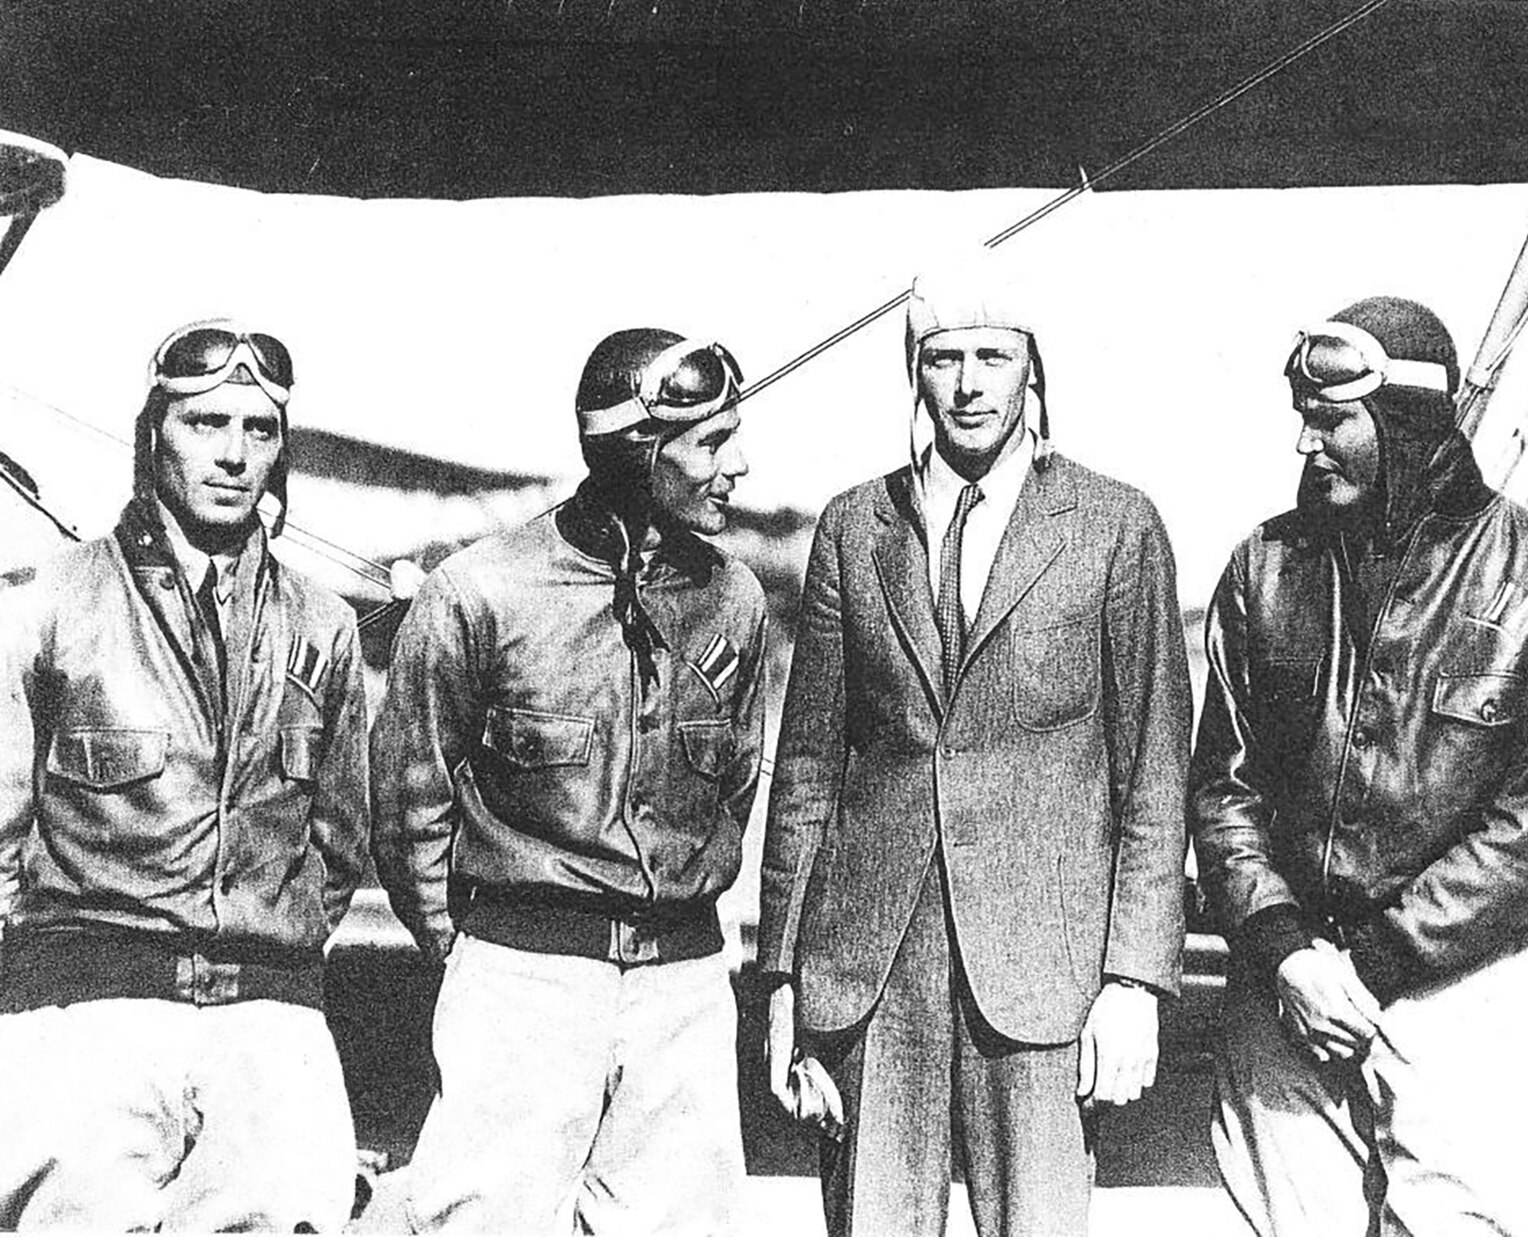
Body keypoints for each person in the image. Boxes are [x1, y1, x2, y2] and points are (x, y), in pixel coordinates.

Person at [757, 255, 1192, 1237]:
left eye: (992, 357)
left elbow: (1154, 776)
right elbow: (808, 773)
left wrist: (1133, 979)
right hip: (872, 969)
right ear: (914, 372)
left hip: (1043, 972)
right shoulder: (854, 526)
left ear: (1032, 367)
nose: (967, 385)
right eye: (943, 358)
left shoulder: (1115, 526)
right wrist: (783, 981)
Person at [1190, 296, 1528, 1235]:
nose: (1306, 443)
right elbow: (1222, 786)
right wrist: (1287, 949)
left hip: (1463, 989)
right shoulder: (1263, 568)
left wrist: (1374, 961)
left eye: (1332, 420)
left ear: (1405, 421)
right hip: (1288, 991)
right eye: (1304, 417)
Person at [373, 329, 767, 1234]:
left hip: (683, 987)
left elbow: (735, 786)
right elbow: (408, 804)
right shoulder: (478, 592)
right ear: (638, 453)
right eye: (713, 442)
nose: (738, 465)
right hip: (524, 983)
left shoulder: (735, 599)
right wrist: (479, 957)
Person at [0, 320, 370, 1231]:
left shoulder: (324, 625)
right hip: (87, 1016)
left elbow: (338, 842)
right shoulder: (48, 604)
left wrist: (275, 964)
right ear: (154, 434)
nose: (234, 455)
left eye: (259, 429)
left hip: (269, 1025)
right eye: (206, 423)